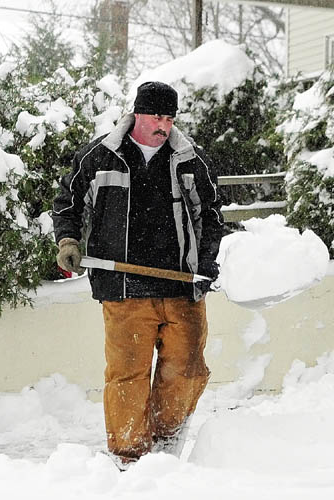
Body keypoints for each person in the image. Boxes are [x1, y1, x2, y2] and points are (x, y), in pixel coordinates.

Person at [51, 81, 224, 468]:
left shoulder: (190, 159)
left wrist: (209, 261)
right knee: (127, 376)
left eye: (169, 118)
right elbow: (68, 204)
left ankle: (165, 442)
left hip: (182, 286)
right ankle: (129, 459)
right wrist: (68, 241)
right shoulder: (100, 156)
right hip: (124, 288)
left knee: (187, 370)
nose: (163, 125)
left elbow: (212, 216)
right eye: (156, 116)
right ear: (137, 113)